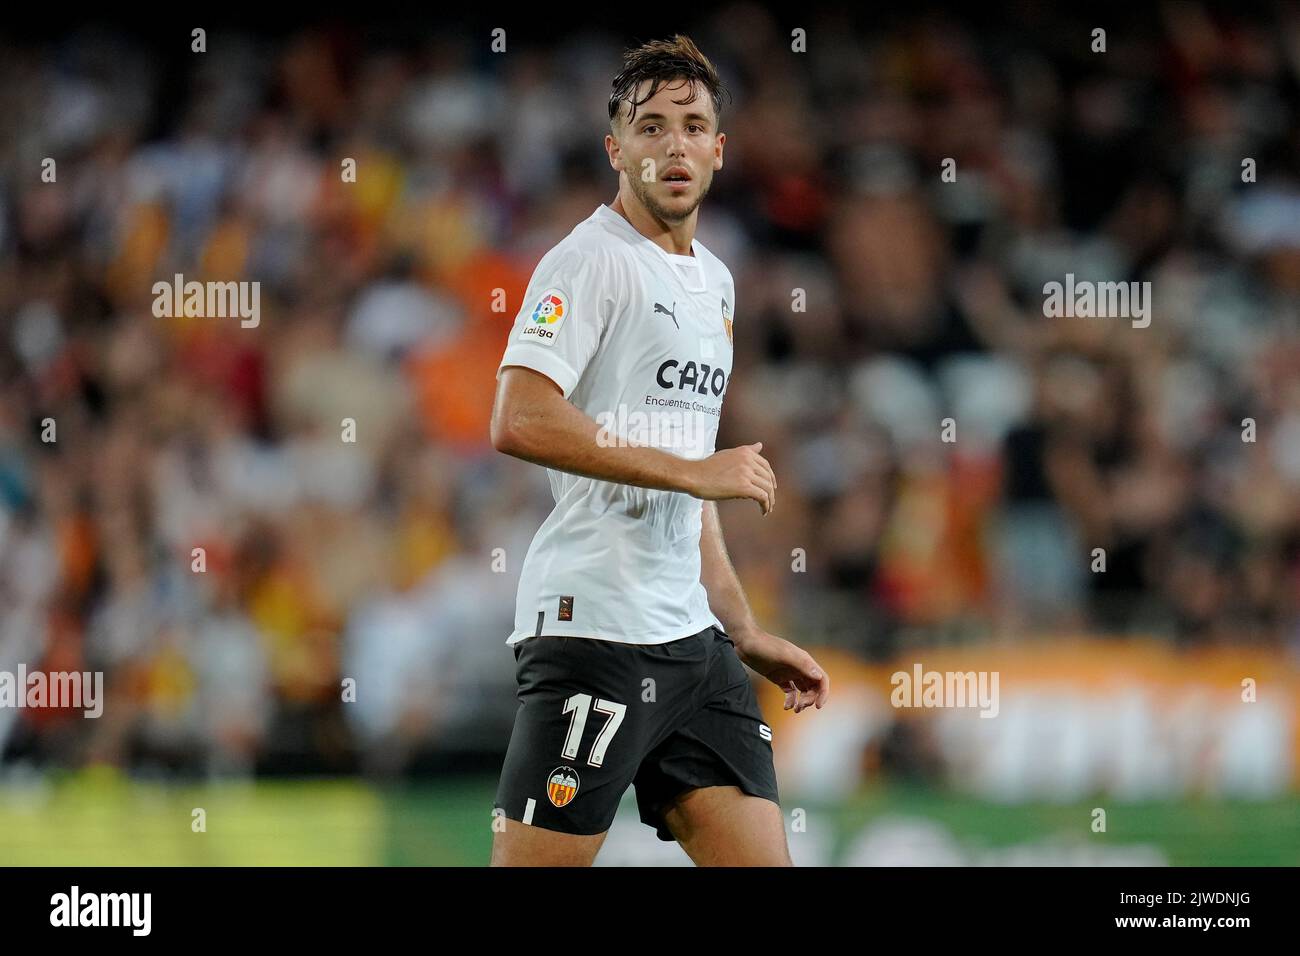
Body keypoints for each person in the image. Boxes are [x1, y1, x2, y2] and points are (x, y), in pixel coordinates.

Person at [489, 34, 829, 867]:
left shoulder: (713, 281)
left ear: (718, 149)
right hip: (594, 632)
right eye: (650, 127)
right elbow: (518, 419)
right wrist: (695, 471)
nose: (673, 143)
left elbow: (687, 475)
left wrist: (741, 626)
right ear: (617, 150)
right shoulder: (587, 262)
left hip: (692, 643)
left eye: (692, 124)